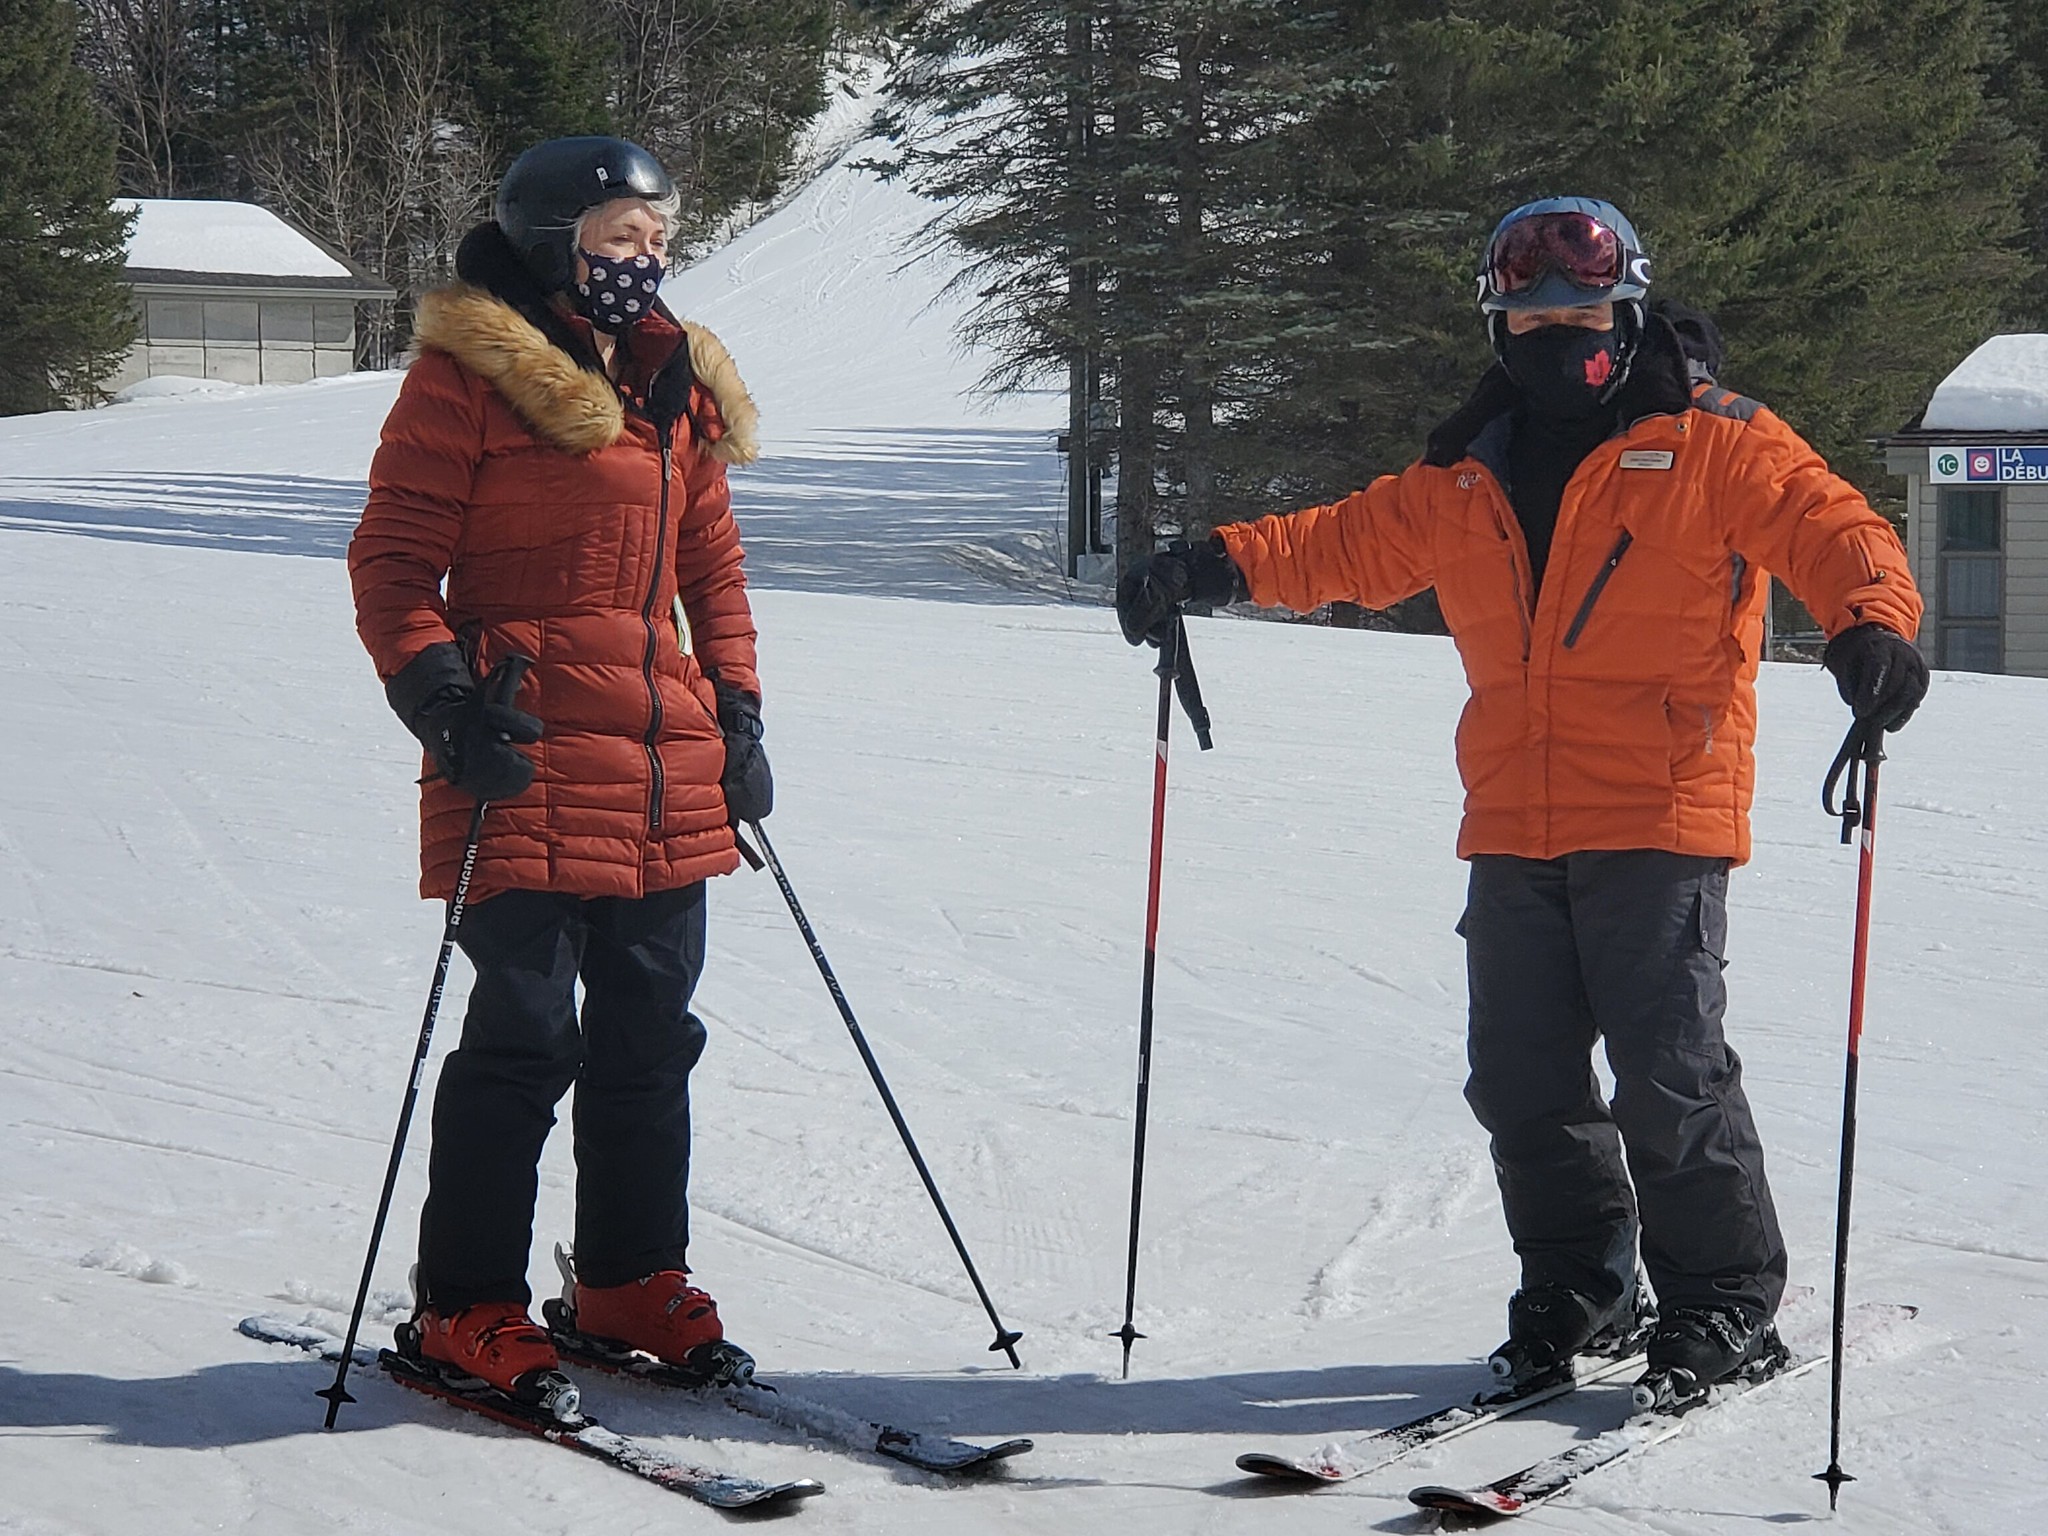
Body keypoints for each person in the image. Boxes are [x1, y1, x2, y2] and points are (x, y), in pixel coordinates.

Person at [1114, 196, 1928, 1411]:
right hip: (1511, 813)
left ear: (1628, 309)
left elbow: (1834, 526)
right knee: (1519, 1073)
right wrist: (1210, 562)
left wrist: (1872, 625)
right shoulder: (1468, 469)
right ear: (1499, 326)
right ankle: (1581, 1284)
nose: (1563, 338)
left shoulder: (1713, 440)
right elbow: (1346, 543)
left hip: (1658, 805)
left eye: (1586, 314)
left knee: (1667, 1073)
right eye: (1535, 317)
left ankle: (1719, 1299)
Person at [348, 136, 773, 1406]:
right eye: (622, 236)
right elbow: (391, 563)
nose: (648, 257)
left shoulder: (673, 380)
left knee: (650, 1032)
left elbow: (714, 570)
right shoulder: (467, 376)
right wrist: (441, 703)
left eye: (659, 237)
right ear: (551, 238)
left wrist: (739, 711)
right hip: (518, 755)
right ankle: (462, 1306)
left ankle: (625, 1280)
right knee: (526, 1034)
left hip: (663, 762)